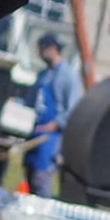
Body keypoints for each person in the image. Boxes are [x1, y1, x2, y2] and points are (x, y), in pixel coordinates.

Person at [24, 32, 82, 199]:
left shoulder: (68, 76)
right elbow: (31, 100)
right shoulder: (43, 75)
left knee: (41, 177)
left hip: (51, 136)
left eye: (43, 48)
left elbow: (72, 109)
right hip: (35, 130)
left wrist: (55, 124)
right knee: (29, 172)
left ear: (53, 48)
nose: (40, 52)